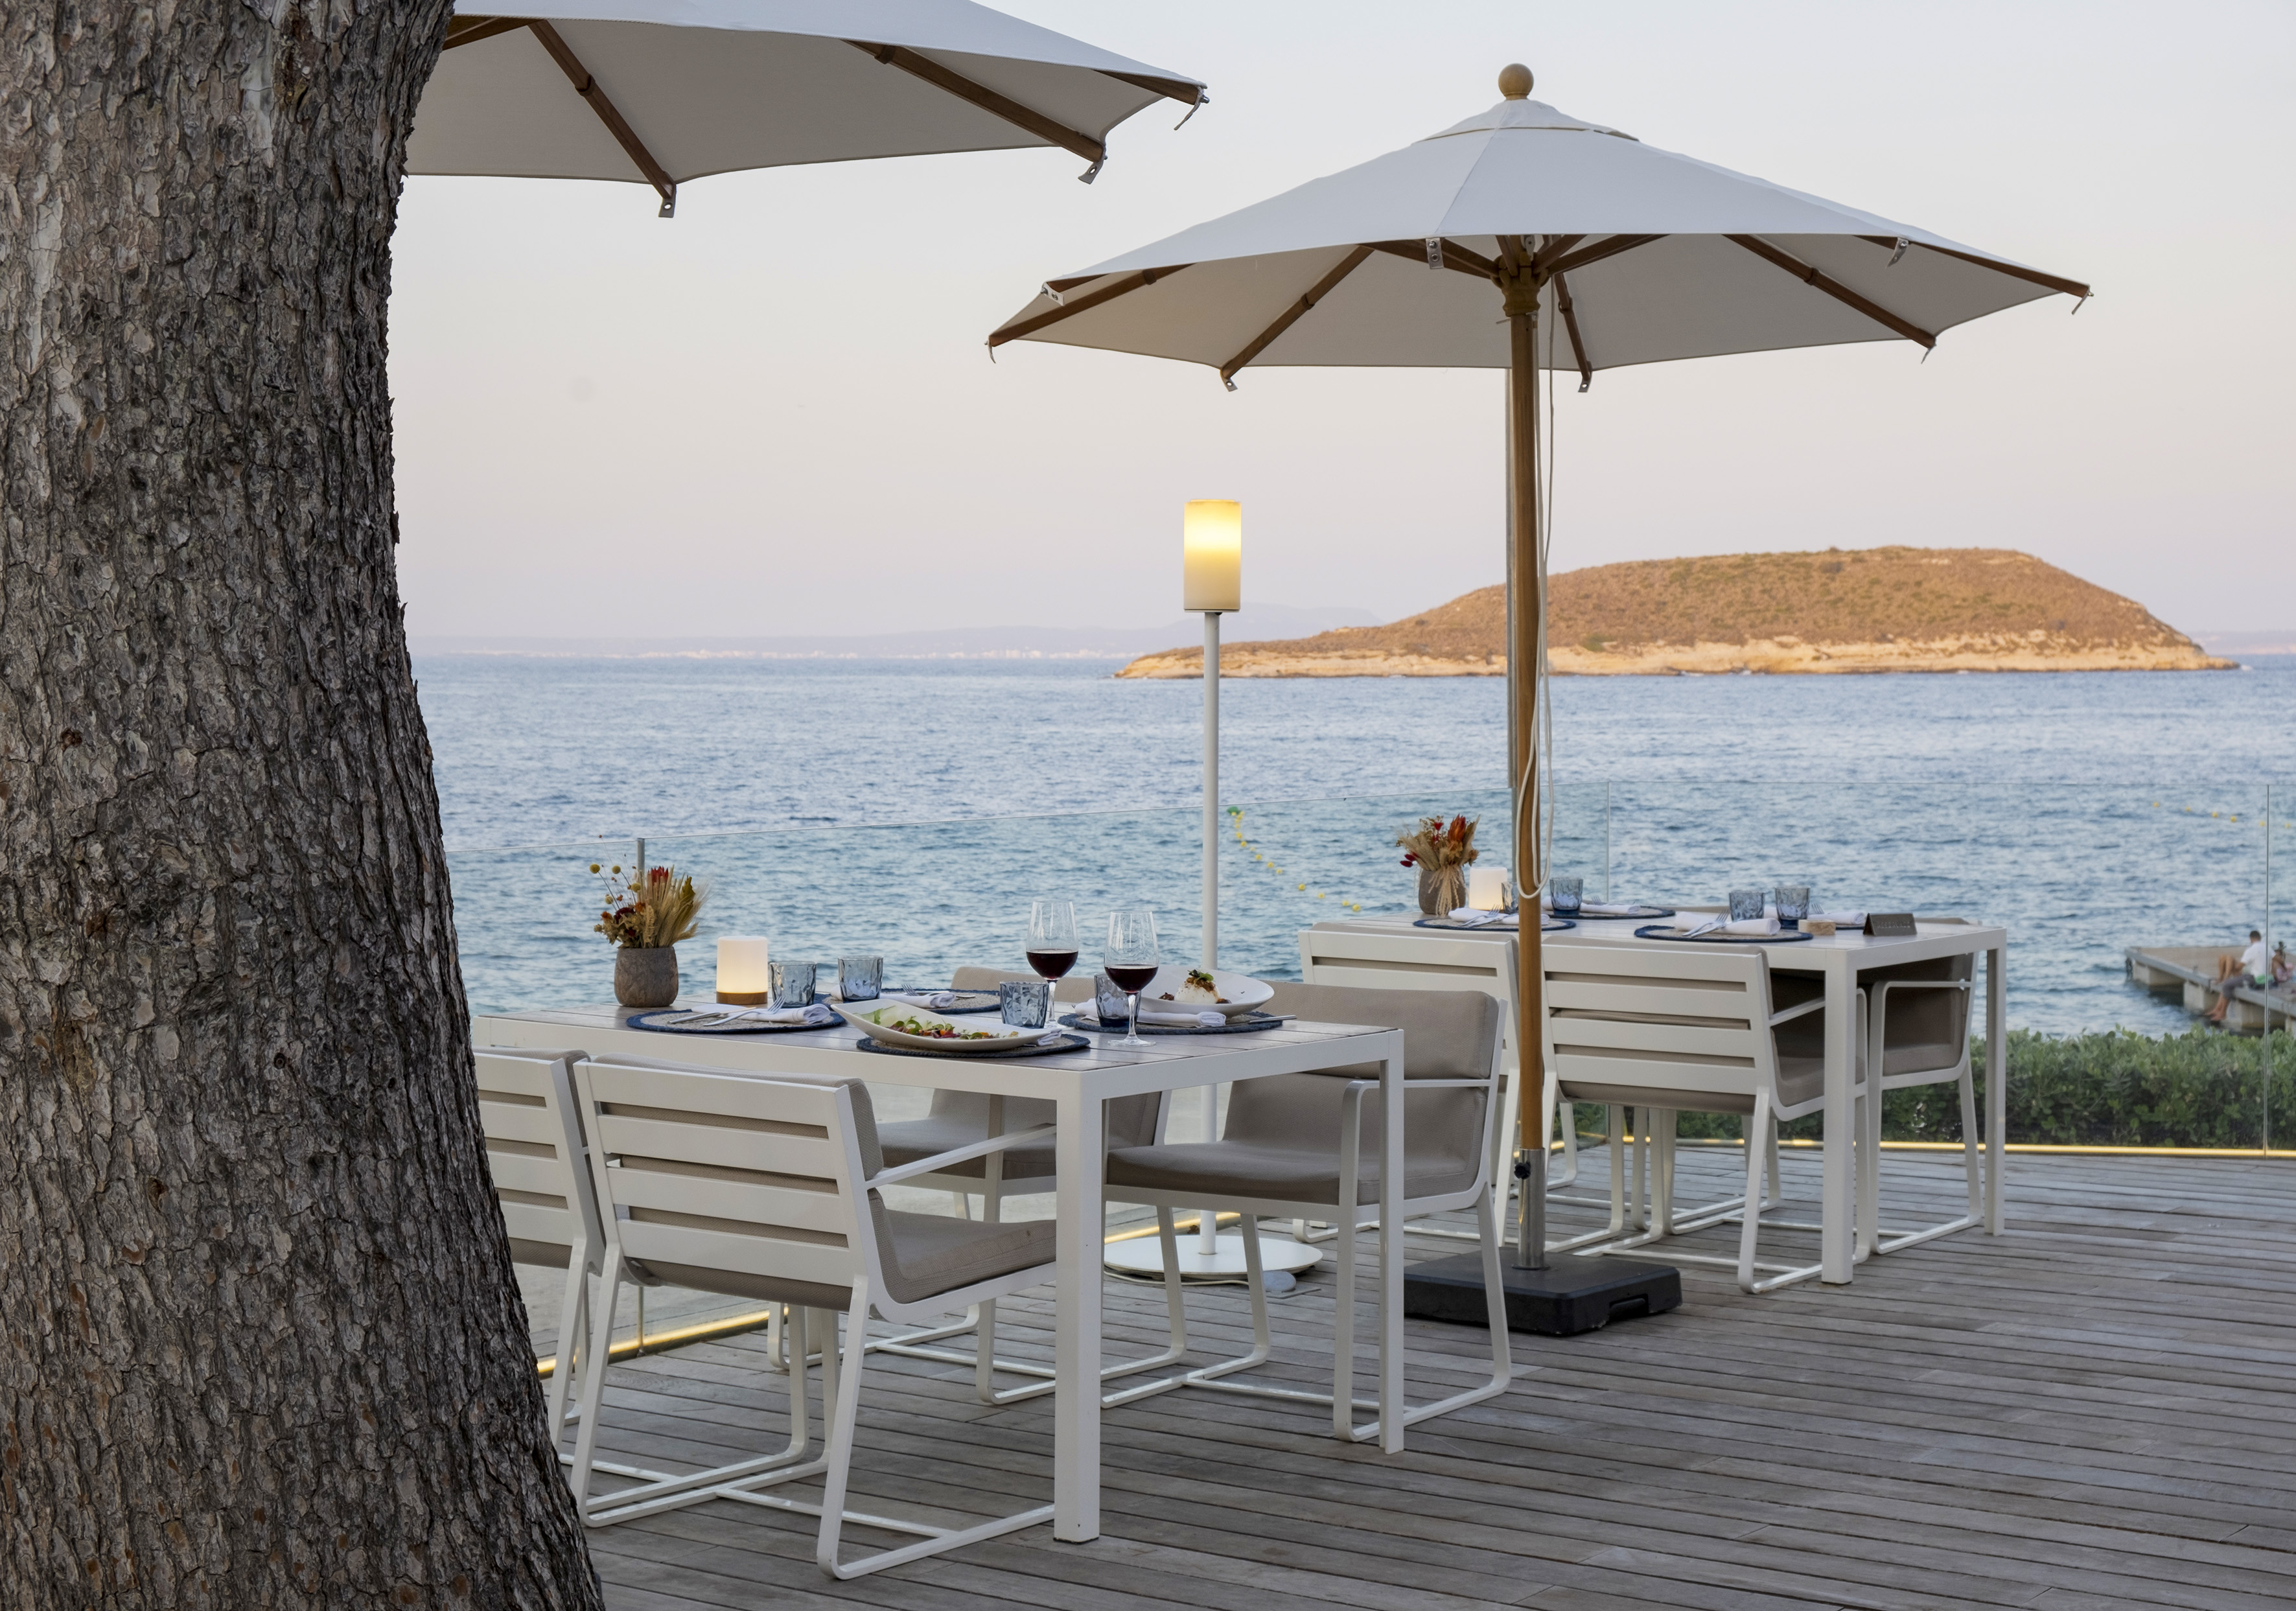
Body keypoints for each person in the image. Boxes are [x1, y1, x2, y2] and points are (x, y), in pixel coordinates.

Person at [2205, 929, 2267, 1023]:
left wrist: (2232, 967)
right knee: (2223, 957)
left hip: (2249, 974)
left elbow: (2239, 967)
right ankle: (2221, 980)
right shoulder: (2265, 948)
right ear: (2260, 938)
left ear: (2251, 939)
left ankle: (2224, 979)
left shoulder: (2252, 949)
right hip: (2248, 971)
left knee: (2229, 959)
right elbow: (2277, 959)